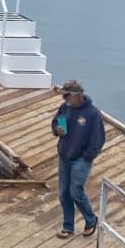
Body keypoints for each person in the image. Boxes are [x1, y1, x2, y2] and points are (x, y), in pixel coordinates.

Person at [51, 79, 106, 239]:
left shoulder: (93, 114)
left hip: (81, 159)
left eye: (67, 95)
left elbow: (98, 140)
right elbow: (55, 122)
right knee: (63, 193)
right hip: (64, 155)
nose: (64, 99)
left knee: (76, 192)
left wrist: (86, 157)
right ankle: (68, 226)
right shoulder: (65, 107)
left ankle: (90, 220)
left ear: (77, 95)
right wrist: (57, 130)